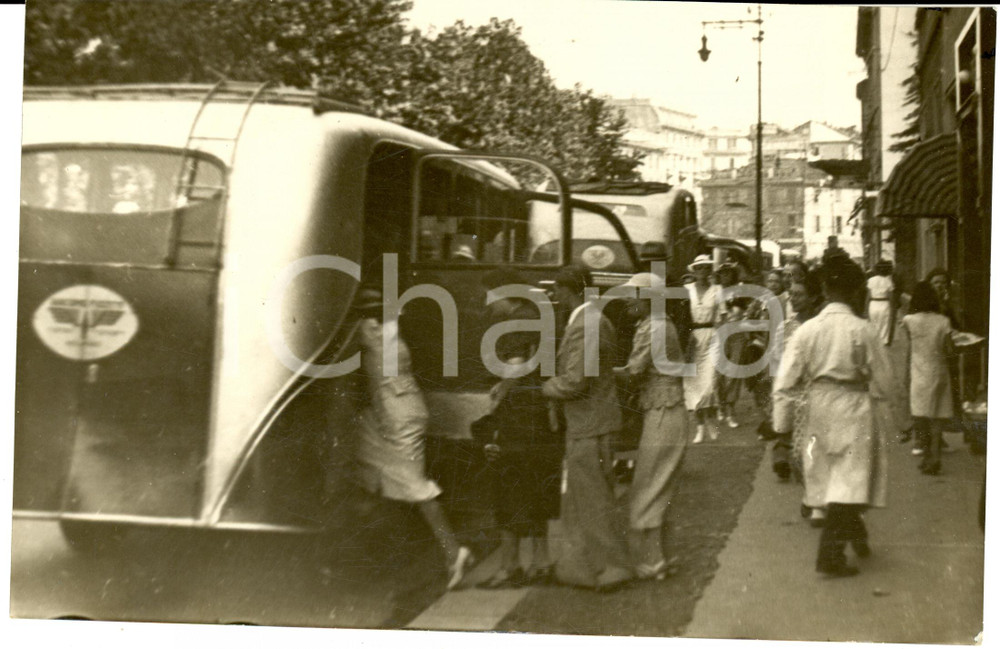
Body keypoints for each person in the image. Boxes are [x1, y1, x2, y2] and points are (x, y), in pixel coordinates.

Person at [772, 256, 894, 577]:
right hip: (854, 406)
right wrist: (899, 420)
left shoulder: (807, 330)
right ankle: (830, 555)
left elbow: (785, 381)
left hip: (819, 405)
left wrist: (782, 426)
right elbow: (885, 380)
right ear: (855, 291)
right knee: (850, 477)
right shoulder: (863, 330)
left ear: (824, 289)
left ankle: (856, 534)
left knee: (832, 476)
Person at [351, 288, 473, 590]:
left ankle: (454, 552)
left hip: (397, 419)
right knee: (365, 469)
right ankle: (370, 545)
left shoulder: (372, 334)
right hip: (391, 414)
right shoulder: (392, 333)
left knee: (415, 488)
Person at [543, 266, 632, 591]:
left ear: (570, 290)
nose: (554, 295)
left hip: (590, 424)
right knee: (583, 498)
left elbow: (575, 381)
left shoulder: (586, 324)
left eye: (557, 289)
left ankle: (613, 568)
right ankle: (581, 567)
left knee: (593, 500)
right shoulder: (590, 320)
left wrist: (544, 387)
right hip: (591, 422)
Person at [475, 269, 563, 588]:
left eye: (490, 294)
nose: (487, 302)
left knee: (509, 488)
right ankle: (541, 563)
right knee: (538, 489)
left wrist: (499, 394)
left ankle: (509, 567)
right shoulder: (538, 316)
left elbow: (515, 365)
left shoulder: (516, 321)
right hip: (542, 414)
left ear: (503, 292)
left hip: (518, 417)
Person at [613, 272, 687, 581]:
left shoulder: (653, 327)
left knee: (649, 486)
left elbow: (633, 372)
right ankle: (663, 555)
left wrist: (601, 370)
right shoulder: (660, 324)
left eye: (633, 295)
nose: (627, 300)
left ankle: (652, 560)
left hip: (663, 411)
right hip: (666, 409)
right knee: (659, 485)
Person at [771, 270, 827, 525]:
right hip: (791, 395)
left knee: (814, 450)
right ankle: (811, 495)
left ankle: (816, 500)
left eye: (800, 294)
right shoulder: (785, 328)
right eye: (791, 294)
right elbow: (776, 364)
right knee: (796, 453)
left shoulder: (823, 327)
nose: (793, 299)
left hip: (817, 394)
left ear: (814, 297)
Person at [899, 282, 956, 475]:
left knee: (921, 414)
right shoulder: (943, 321)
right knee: (937, 415)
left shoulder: (909, 320)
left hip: (918, 371)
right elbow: (949, 349)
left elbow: (910, 345)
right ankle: (936, 455)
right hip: (939, 370)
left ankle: (926, 454)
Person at [683, 255, 721, 444]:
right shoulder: (686, 289)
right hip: (692, 337)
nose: (702, 271)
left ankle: (711, 422)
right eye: (699, 268)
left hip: (712, 336)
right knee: (692, 386)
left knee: (709, 386)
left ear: (710, 270)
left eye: (706, 267)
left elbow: (721, 317)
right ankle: (699, 427)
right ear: (694, 271)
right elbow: (682, 315)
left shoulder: (717, 290)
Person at [714, 262, 746, 430]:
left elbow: (739, 310)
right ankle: (720, 405)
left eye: (728, 273)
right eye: (722, 273)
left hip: (736, 333)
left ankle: (730, 410)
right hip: (719, 333)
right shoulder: (715, 291)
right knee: (719, 372)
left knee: (734, 371)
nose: (725, 276)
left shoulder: (739, 290)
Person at [866, 259, 896, 346]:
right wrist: (893, 310)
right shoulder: (888, 281)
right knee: (884, 327)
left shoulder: (871, 280)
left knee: (873, 325)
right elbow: (891, 298)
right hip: (884, 305)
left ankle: (874, 344)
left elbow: (868, 297)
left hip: (873, 304)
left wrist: (866, 309)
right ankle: (883, 344)